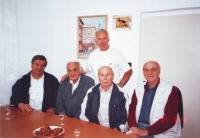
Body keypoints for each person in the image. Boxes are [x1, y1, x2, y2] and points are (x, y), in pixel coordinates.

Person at [61, 29, 132, 88]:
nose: (102, 42)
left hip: (113, 92)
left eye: (104, 38)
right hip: (98, 92)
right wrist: (67, 75)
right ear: (96, 41)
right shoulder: (93, 55)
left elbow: (128, 71)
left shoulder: (117, 53)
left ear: (108, 39)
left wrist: (121, 85)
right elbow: (83, 70)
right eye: (99, 39)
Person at [127, 61, 181, 138]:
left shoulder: (170, 89)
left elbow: (170, 119)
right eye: (146, 70)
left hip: (160, 131)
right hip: (138, 128)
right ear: (143, 72)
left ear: (159, 71)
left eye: (153, 69)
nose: (150, 72)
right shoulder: (138, 89)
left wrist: (145, 132)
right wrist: (133, 128)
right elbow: (132, 110)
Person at [80, 66, 128, 132]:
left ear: (113, 76)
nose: (105, 78)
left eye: (108, 75)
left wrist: (117, 130)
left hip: (114, 132)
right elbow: (83, 115)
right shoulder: (91, 92)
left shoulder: (122, 94)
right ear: (98, 77)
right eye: (102, 75)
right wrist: (93, 128)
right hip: (95, 130)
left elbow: (126, 119)